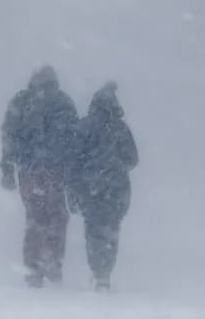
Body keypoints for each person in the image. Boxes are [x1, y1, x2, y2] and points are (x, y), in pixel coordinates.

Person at [0, 65, 80, 288]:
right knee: (57, 217)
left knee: (35, 218)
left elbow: (9, 136)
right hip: (56, 171)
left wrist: (7, 169)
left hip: (29, 170)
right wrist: (75, 172)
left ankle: (33, 269)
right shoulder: (63, 102)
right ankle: (52, 263)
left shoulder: (22, 101)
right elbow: (75, 141)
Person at [71, 81, 138, 291]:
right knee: (111, 231)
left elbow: (73, 162)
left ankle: (96, 270)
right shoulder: (121, 128)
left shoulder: (83, 127)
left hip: (89, 190)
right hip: (116, 190)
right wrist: (116, 167)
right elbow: (133, 159)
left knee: (93, 230)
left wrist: (74, 190)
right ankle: (105, 273)